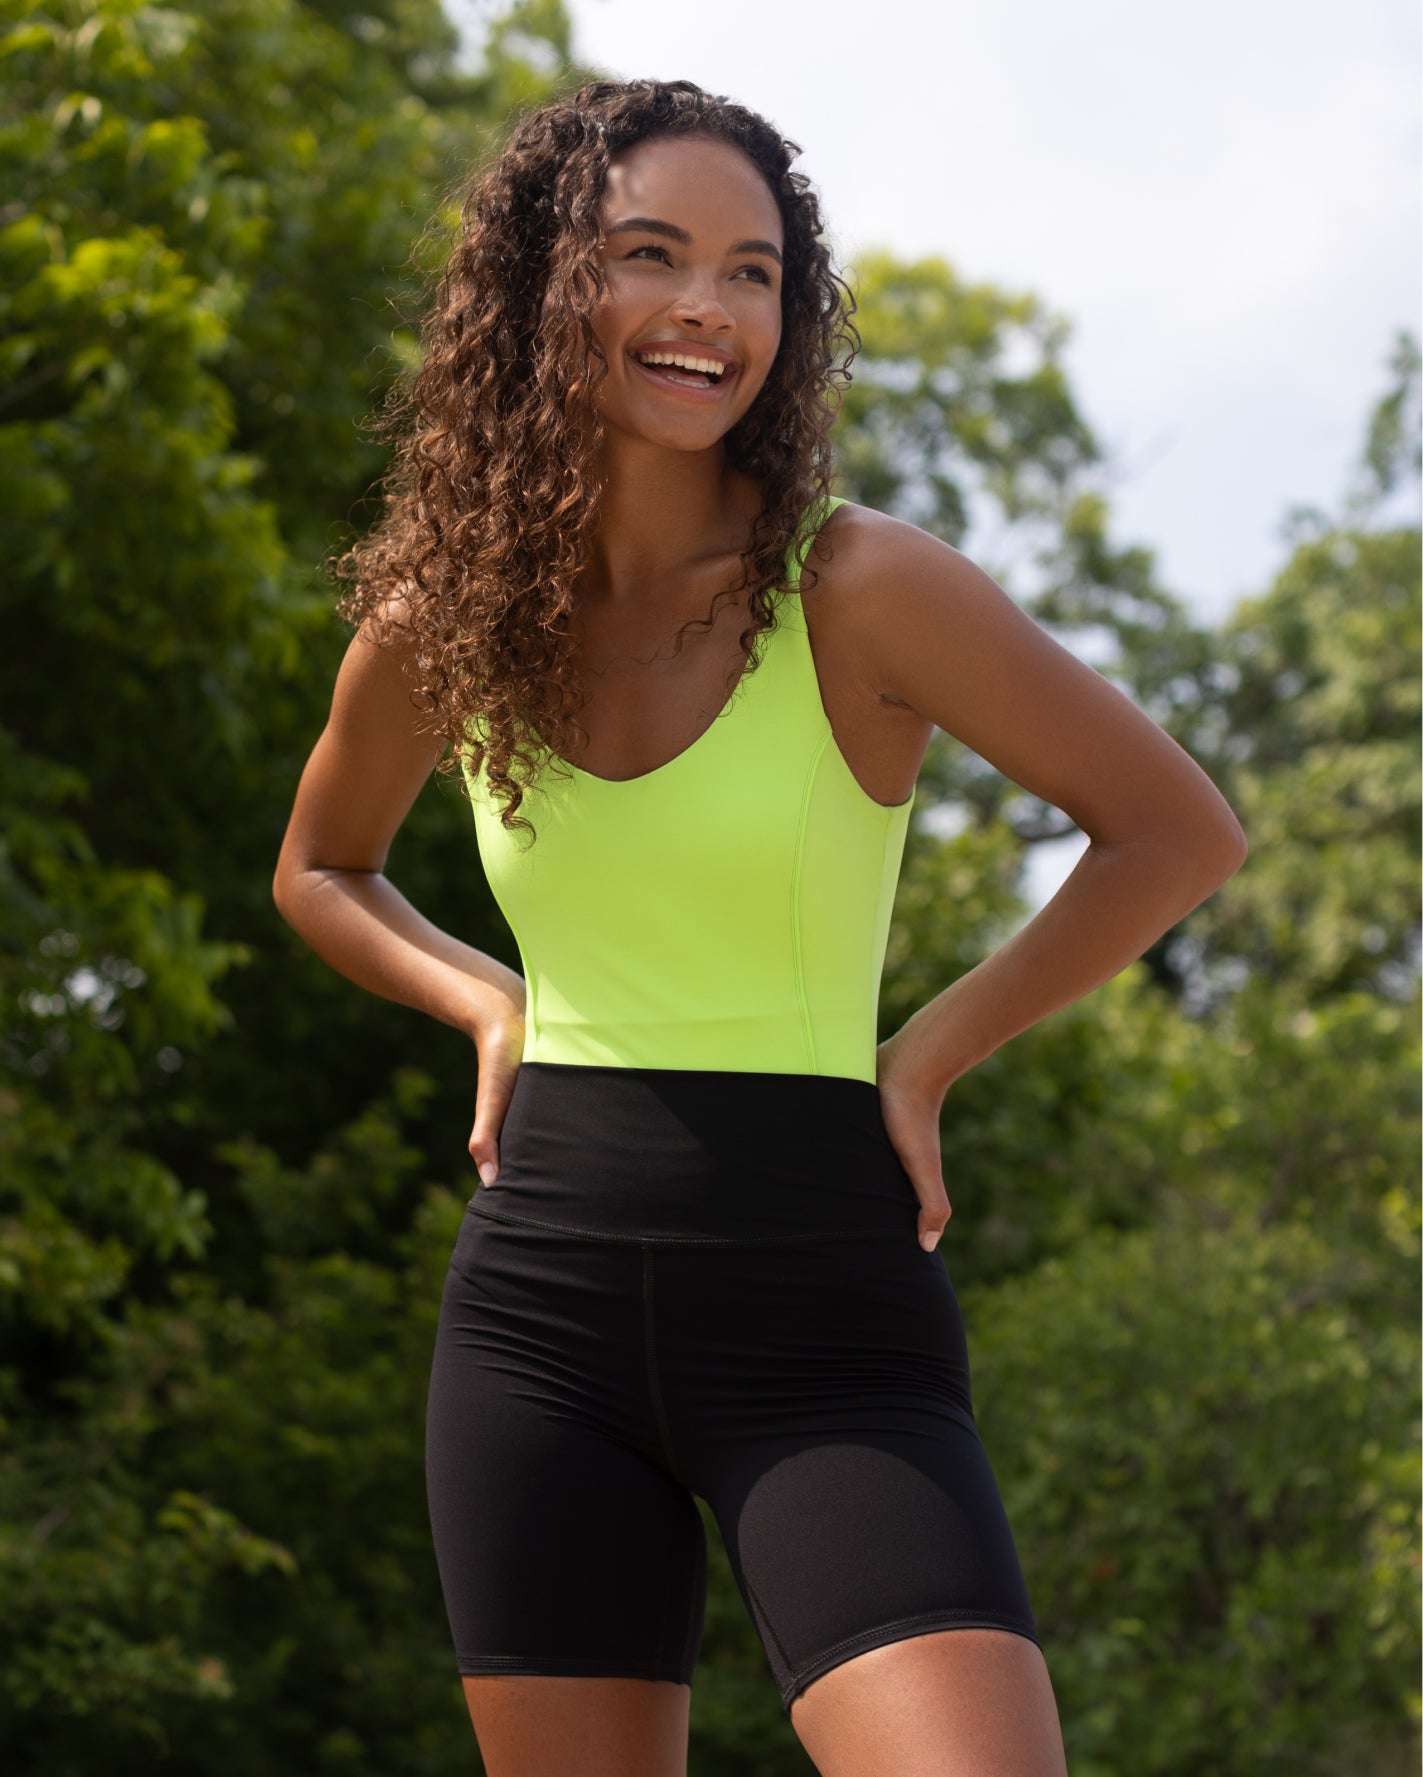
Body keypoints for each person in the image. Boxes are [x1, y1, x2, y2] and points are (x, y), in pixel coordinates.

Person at [273, 76, 1246, 1777]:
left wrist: (930, 1051)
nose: (708, 310)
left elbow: (1174, 830)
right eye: (653, 255)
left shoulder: (860, 586)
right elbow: (321, 867)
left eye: (754, 273)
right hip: (539, 1312)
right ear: (545, 285)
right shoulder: (448, 615)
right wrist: (489, 1006)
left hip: (825, 1309)